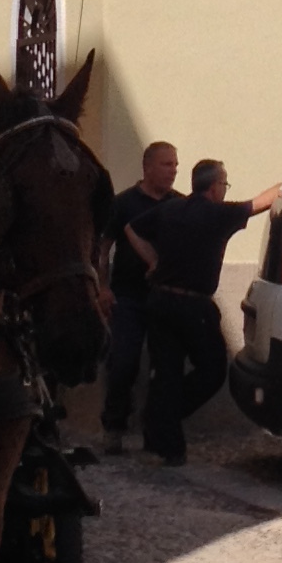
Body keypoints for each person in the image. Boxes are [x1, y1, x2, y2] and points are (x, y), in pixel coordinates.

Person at [129, 158, 282, 467]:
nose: (225, 190)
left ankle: (164, 436)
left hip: (161, 301)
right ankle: (164, 426)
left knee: (166, 375)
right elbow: (262, 203)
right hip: (193, 305)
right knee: (212, 370)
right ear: (214, 187)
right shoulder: (218, 214)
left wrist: (152, 261)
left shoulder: (171, 209)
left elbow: (132, 228)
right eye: (224, 184)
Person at [98, 140, 179, 445]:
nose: (172, 171)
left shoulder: (179, 204)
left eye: (175, 165)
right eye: (166, 164)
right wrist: (102, 287)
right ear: (147, 167)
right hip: (127, 297)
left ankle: (155, 432)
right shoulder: (123, 203)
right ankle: (114, 426)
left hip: (165, 298)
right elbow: (103, 248)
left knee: (164, 368)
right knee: (122, 361)